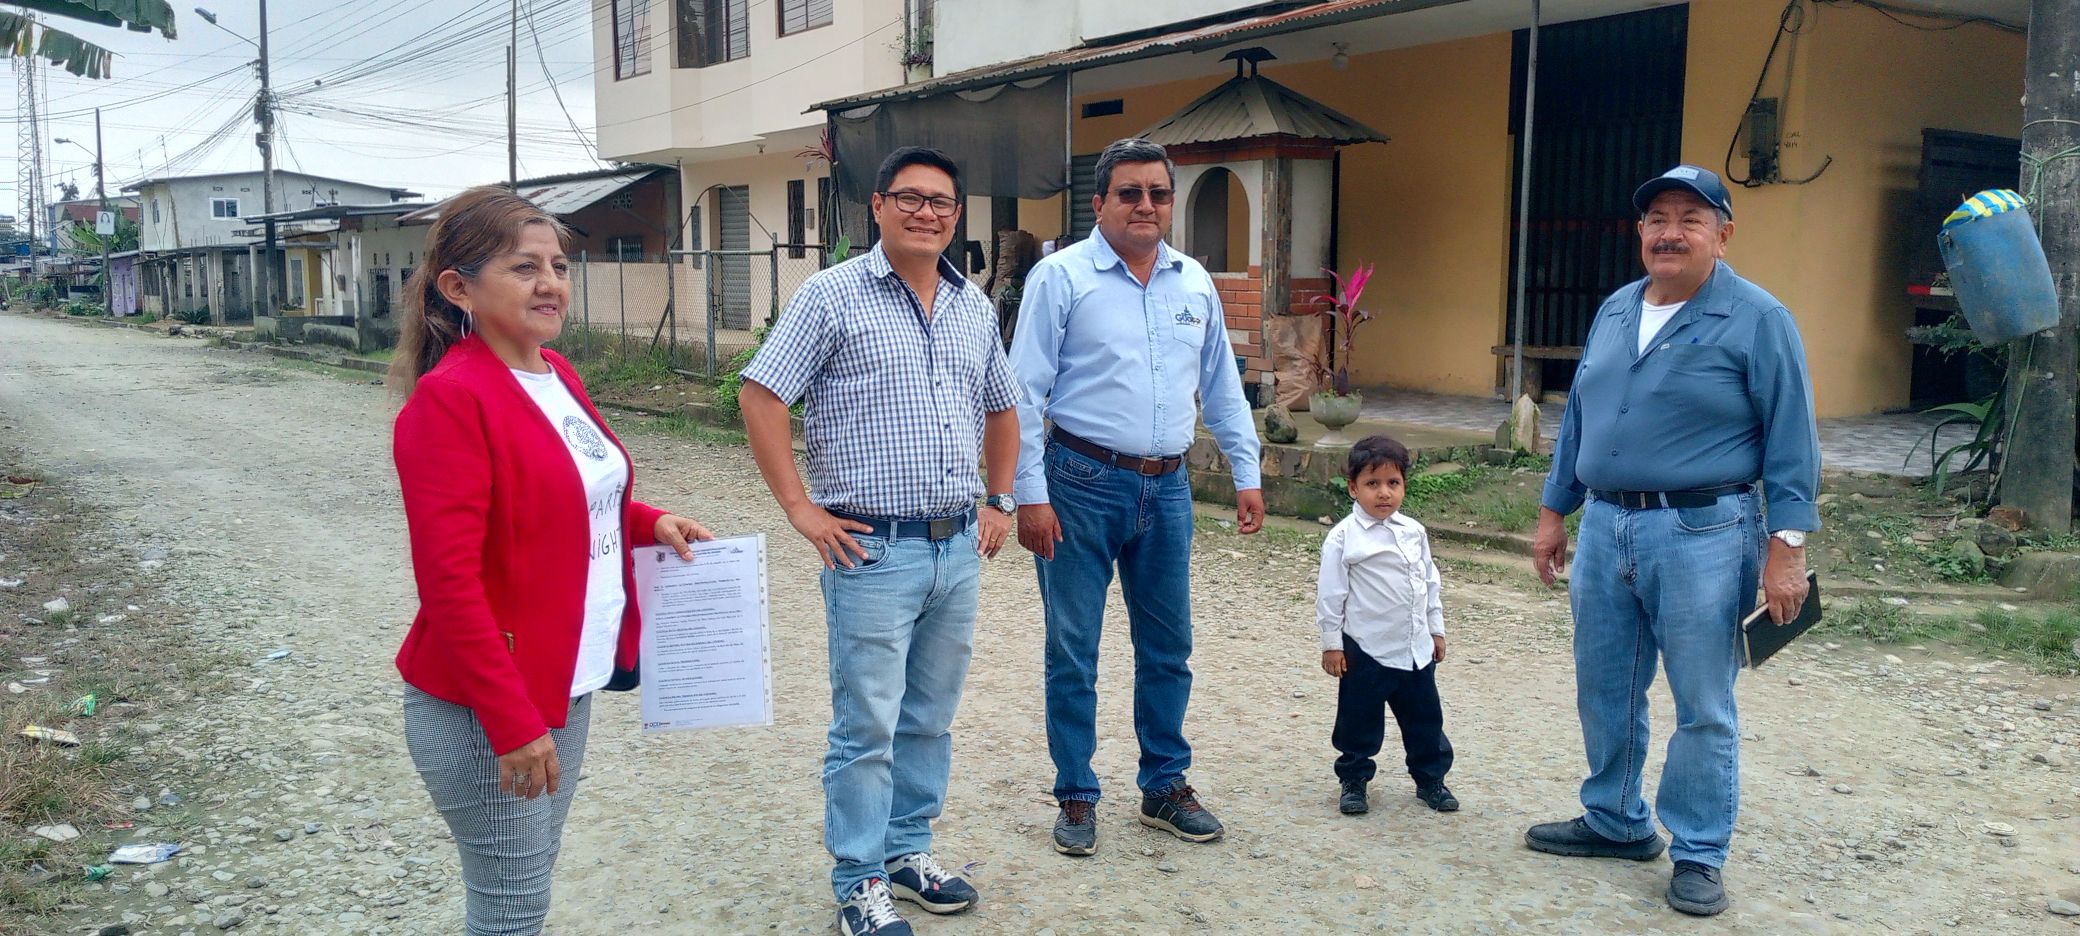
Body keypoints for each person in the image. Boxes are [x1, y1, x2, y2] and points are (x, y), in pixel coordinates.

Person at [388, 186, 714, 936]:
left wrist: (647, 520)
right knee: (511, 908)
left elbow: (562, 495)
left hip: (565, 678)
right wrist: (511, 723)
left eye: (559, 267)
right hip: (488, 703)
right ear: (458, 288)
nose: (550, 284)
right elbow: (449, 584)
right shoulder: (451, 400)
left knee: (526, 885)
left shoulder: (556, 373)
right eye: (524, 267)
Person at [738, 147, 1020, 936]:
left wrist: (1000, 499)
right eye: (910, 198)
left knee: (928, 718)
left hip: (955, 548)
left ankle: (906, 851)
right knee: (866, 726)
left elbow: (1003, 406)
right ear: (878, 205)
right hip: (871, 551)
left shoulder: (971, 306)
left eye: (941, 202)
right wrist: (800, 508)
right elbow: (761, 396)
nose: (926, 212)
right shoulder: (831, 296)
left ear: (956, 215)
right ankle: (858, 877)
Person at [1525, 165, 1820, 917]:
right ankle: (1615, 819)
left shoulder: (1758, 318)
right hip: (1605, 525)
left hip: (1705, 531)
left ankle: (1698, 850)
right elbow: (1581, 415)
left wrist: (1787, 547)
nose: (1670, 232)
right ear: (1639, 232)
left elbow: (1792, 436)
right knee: (1605, 683)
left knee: (1702, 701)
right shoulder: (1617, 308)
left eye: (1691, 218)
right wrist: (1555, 510)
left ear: (1723, 234)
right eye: (1657, 218)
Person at [1007, 137, 1265, 857]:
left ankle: (1164, 785)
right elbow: (1022, 393)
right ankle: (1077, 793)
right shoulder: (1061, 278)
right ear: (1099, 203)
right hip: (1079, 485)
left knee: (1168, 647)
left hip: (1169, 488)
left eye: (1158, 192)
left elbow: (1221, 385)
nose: (1145, 205)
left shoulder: (1194, 283)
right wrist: (1029, 495)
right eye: (1129, 192)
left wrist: (1246, 472)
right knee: (1073, 648)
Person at [1315, 435, 1457, 818]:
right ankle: (1354, 780)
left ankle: (1431, 780)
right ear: (1353, 487)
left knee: (1425, 719)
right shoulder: (1343, 538)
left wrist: (1436, 630)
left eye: (1393, 483)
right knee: (1358, 721)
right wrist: (1332, 644)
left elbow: (1429, 583)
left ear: (1404, 485)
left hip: (1414, 649)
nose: (1384, 493)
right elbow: (1331, 594)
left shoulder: (1414, 532)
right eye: (1372, 483)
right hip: (1366, 648)